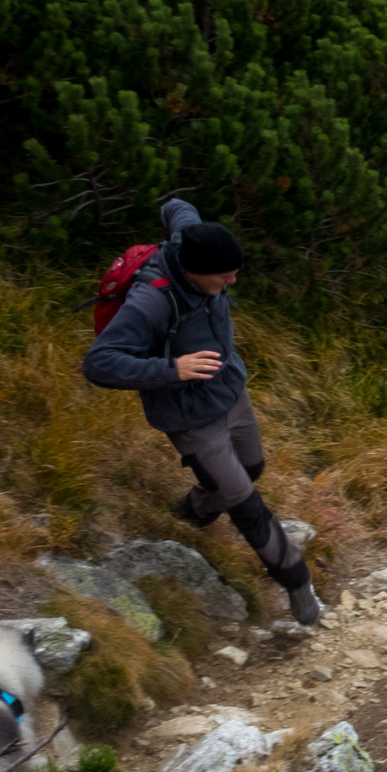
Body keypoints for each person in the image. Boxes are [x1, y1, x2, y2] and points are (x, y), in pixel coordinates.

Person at [83, 201, 322, 626]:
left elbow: (177, 207)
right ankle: (296, 581)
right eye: (223, 276)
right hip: (190, 416)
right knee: (245, 502)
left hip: (229, 389)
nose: (232, 281)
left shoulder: (191, 242)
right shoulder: (150, 303)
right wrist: (171, 369)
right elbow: (99, 363)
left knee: (251, 467)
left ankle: (192, 512)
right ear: (193, 270)